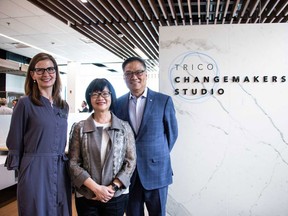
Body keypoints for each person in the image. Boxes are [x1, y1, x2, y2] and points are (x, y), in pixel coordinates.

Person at [4, 52, 72, 216]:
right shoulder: (24, 104)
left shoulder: (63, 106)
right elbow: (14, 141)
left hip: (60, 169)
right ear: (33, 74)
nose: (46, 74)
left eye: (50, 69)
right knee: (36, 209)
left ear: (56, 73)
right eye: (40, 70)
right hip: (35, 170)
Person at [114, 56, 178, 216]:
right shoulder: (118, 104)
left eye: (138, 72)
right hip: (129, 175)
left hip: (156, 171)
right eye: (128, 73)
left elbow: (172, 135)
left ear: (146, 74)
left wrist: (155, 155)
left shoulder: (163, 101)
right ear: (124, 77)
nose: (134, 77)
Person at [68, 78, 136, 216]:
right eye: (95, 94)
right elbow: (73, 163)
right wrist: (96, 188)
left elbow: (130, 161)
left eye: (105, 93)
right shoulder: (79, 128)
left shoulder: (124, 127)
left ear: (112, 96)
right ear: (89, 98)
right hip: (87, 195)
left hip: (116, 195)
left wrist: (113, 187)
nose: (100, 97)